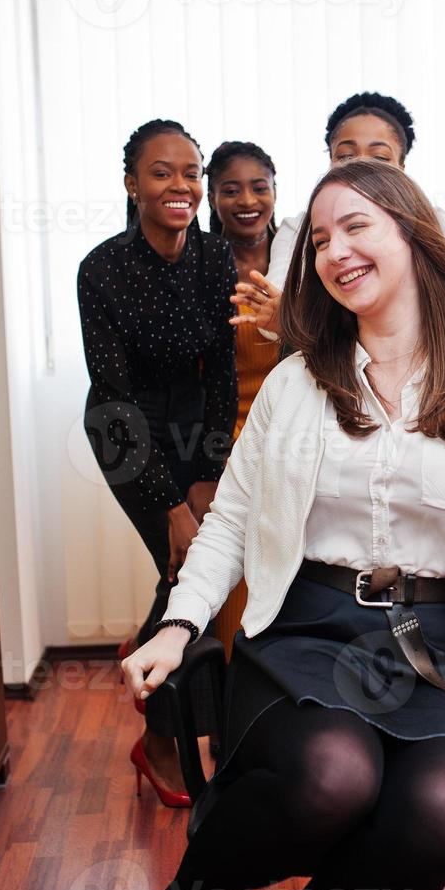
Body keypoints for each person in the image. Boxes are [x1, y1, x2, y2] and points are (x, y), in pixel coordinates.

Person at [81, 159, 445, 890]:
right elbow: (230, 520)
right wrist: (178, 625)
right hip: (310, 631)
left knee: (443, 809)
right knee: (334, 774)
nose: (334, 250)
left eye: (357, 226)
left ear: (412, 235)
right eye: (320, 238)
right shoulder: (297, 385)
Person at [77, 119, 237, 808]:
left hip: (195, 424)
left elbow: (223, 374)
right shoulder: (103, 268)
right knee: (184, 570)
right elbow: (113, 396)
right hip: (125, 432)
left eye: (190, 172)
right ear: (131, 184)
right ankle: (164, 741)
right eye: (162, 172)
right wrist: (173, 505)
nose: (181, 186)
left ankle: (149, 657)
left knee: (192, 577)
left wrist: (206, 474)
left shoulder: (214, 258)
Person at [246, 91, 445, 337]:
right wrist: (282, 318)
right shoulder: (299, 228)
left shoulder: (429, 218)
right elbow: (274, 311)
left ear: (402, 167)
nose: (361, 165)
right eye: (345, 155)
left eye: (380, 157)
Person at [205, 140, 282, 654]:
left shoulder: (302, 256)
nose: (247, 200)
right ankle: (233, 725)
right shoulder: (201, 268)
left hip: (292, 436)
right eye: (230, 190)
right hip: (224, 442)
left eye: (259, 187)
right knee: (229, 581)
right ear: (212, 199)